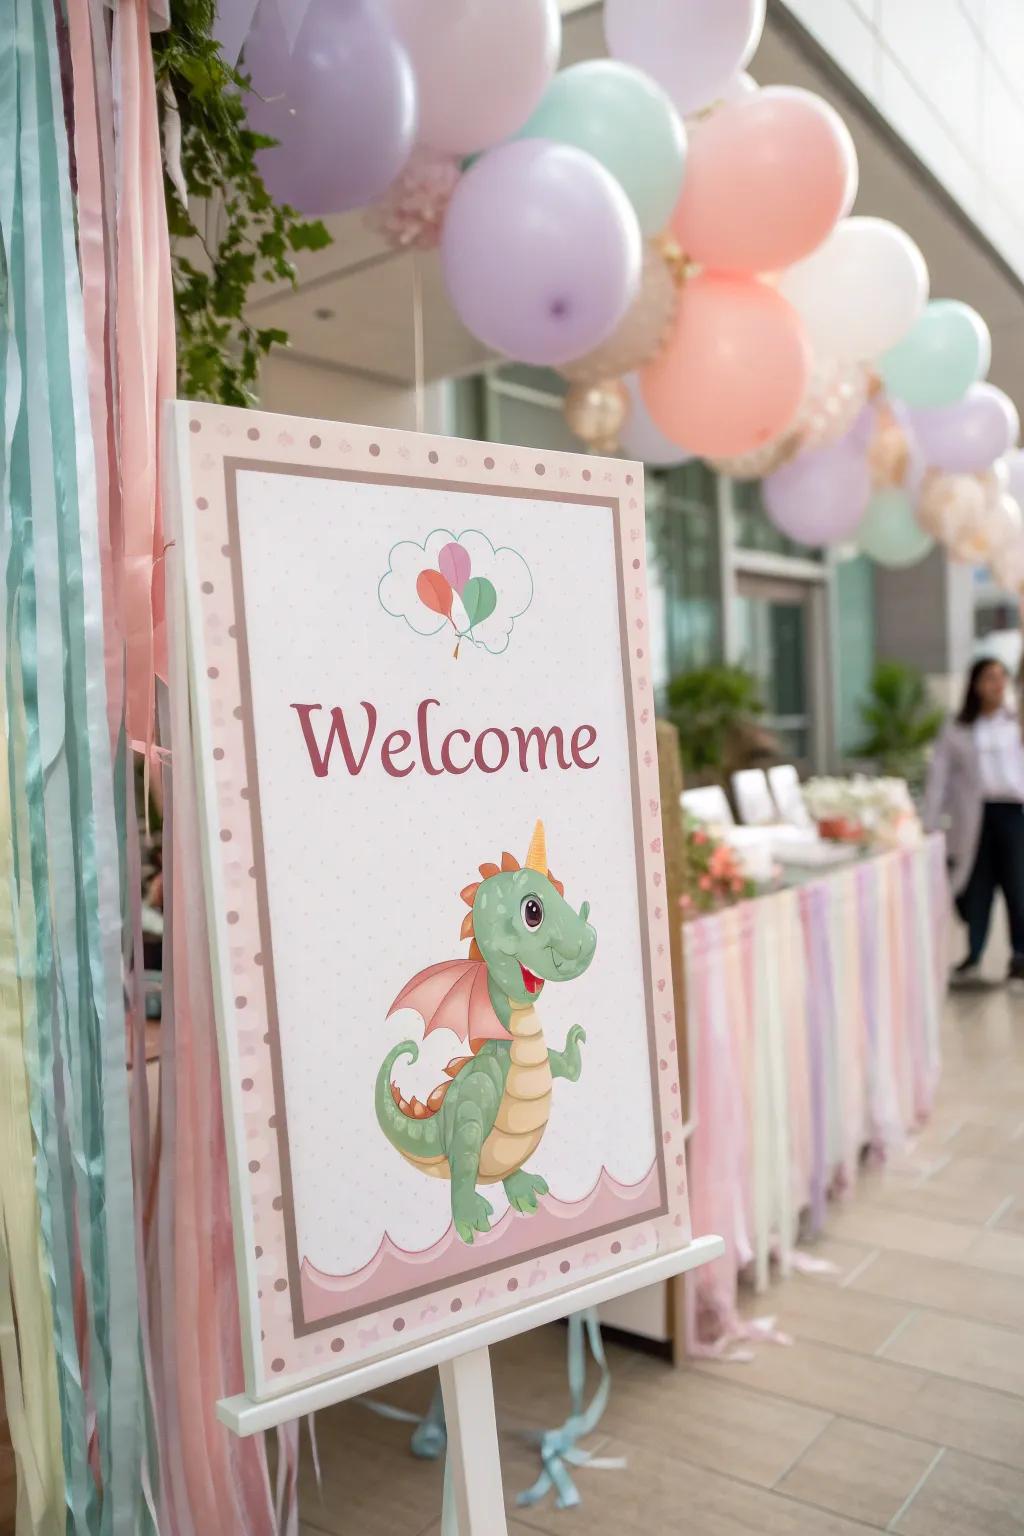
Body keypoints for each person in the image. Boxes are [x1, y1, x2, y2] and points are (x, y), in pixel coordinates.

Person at [924, 656, 1024, 985]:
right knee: (976, 888)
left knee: (1017, 886)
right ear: (975, 685)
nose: (996, 684)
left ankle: (1019, 955)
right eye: (989, 678)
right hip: (975, 816)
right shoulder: (958, 727)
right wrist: (931, 821)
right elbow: (938, 776)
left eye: (1001, 677)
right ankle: (974, 954)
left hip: (1013, 814)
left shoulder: (1016, 721)